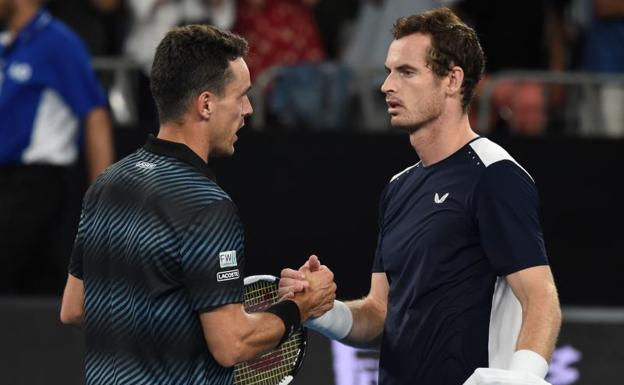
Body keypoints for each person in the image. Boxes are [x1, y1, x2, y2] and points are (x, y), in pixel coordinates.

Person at [280, 8, 561, 385]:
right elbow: (380, 315)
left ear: (452, 80)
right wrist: (321, 310)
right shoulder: (398, 188)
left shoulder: (495, 175)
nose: (387, 86)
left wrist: (522, 378)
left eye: (406, 72)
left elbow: (541, 299)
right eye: (388, 71)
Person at [59, 24, 336, 385]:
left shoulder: (108, 184)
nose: (248, 109)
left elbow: (74, 308)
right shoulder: (206, 205)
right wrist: (300, 308)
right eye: (241, 96)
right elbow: (232, 344)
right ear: (206, 104)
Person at [0, 0, 114, 294]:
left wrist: (105, 202)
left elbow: (95, 114)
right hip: (8, 184)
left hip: (37, 185)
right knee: (33, 289)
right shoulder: (7, 44)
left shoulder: (59, 42)